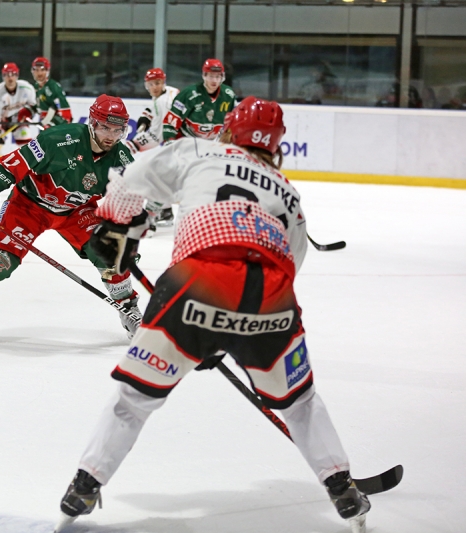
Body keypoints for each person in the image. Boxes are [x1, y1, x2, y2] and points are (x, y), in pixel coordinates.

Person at [53, 96, 372, 533]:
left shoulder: (201, 150)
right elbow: (291, 265)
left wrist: (114, 224)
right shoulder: (288, 192)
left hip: (194, 286)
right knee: (300, 403)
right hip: (272, 301)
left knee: (135, 400)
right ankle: (341, 486)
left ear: (228, 129)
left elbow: (132, 179)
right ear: (276, 145)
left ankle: (85, 484)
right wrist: (234, 331)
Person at [0, 95, 140, 341]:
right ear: (91, 122)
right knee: (0, 262)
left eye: (117, 130)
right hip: (28, 206)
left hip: (77, 212)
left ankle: (130, 312)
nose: (110, 135)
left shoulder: (122, 161)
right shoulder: (57, 140)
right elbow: (10, 165)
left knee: (112, 255)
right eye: (104, 127)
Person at [159, 58, 236, 225]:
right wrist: (170, 143)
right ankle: (161, 211)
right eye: (210, 76)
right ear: (204, 76)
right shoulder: (189, 94)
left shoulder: (228, 95)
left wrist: (229, 138)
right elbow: (171, 121)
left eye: (218, 77)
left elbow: (232, 122)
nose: (214, 81)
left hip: (209, 143)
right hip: (185, 141)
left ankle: (206, 214)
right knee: (170, 174)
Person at [124, 67, 180, 231]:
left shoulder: (163, 103)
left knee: (158, 175)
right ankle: (166, 211)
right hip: (183, 141)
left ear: (163, 82)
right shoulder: (170, 91)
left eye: (157, 83)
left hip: (178, 143)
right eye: (151, 84)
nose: (154, 87)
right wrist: (147, 115)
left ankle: (150, 218)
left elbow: (156, 136)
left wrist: (134, 145)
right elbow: (156, 109)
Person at [0, 62, 38, 158]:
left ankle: (28, 171)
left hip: (20, 123)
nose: (10, 78)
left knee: (27, 148)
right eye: (7, 75)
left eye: (13, 75)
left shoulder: (27, 88)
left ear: (17, 75)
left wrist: (27, 113)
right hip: (3, 123)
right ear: (3, 76)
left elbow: (33, 106)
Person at [31, 57, 72, 128]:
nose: (39, 73)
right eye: (36, 70)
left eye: (42, 70)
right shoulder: (36, 87)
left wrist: (58, 124)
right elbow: (37, 107)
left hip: (56, 127)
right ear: (32, 71)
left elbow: (65, 113)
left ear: (47, 71)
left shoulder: (53, 86)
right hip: (46, 124)